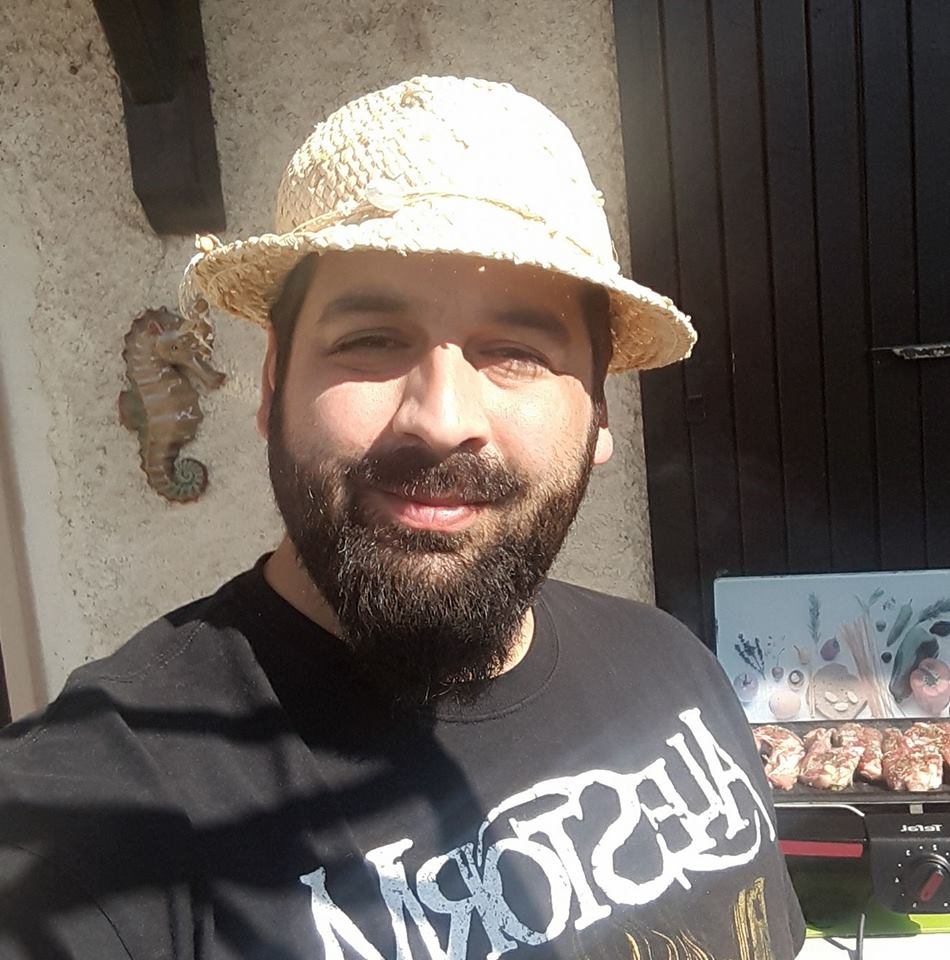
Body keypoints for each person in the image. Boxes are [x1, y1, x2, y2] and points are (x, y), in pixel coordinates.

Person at [0, 76, 804, 960]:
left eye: (516, 352)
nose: (441, 417)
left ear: (600, 412)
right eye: (371, 341)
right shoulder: (96, 813)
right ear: (272, 384)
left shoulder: (673, 669)